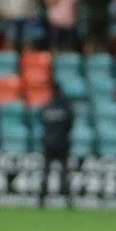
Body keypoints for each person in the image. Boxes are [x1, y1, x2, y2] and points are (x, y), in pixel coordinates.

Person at [39, 80, 73, 208]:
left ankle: (41, 200)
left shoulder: (47, 107)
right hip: (62, 144)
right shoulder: (66, 107)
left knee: (46, 172)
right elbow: (70, 125)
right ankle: (68, 200)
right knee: (64, 173)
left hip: (48, 143)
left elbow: (43, 124)